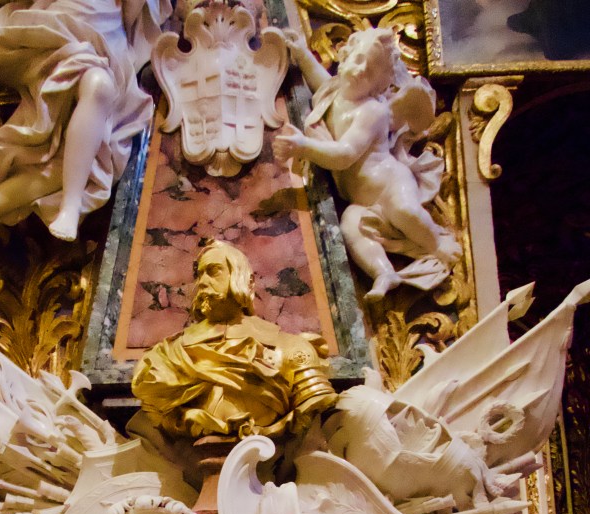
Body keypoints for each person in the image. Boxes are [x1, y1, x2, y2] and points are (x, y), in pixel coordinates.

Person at [0, 0, 171, 266]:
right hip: (65, 32)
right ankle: (70, 205)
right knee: (99, 87)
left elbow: (132, 13)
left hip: (109, 44)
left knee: (76, 161)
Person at [272, 27, 460, 300]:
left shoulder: (373, 111)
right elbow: (320, 82)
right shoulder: (335, 92)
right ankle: (383, 272)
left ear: (379, 85)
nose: (360, 70)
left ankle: (437, 243)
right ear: (344, 56)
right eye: (357, 59)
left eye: (370, 72)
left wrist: (303, 146)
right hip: (360, 201)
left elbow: (345, 154)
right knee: (351, 227)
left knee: (404, 211)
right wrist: (302, 54)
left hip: (390, 184)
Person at [130, 238, 338, 440]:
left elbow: (311, 410)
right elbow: (156, 411)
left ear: (246, 280)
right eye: (200, 274)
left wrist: (262, 434)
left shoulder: (290, 347)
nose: (202, 282)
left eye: (213, 271)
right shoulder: (166, 355)